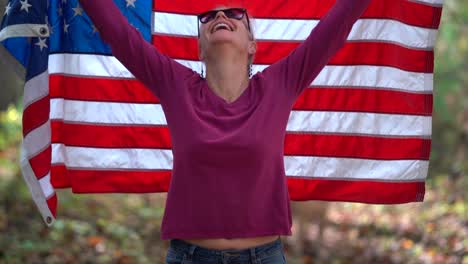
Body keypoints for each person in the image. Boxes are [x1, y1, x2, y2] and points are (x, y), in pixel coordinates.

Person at [79, 1, 371, 263]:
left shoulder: (280, 84)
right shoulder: (176, 85)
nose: (219, 15)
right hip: (190, 257)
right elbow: (119, 35)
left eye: (234, 14)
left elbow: (334, 27)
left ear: (252, 45)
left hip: (264, 257)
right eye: (208, 16)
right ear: (200, 48)